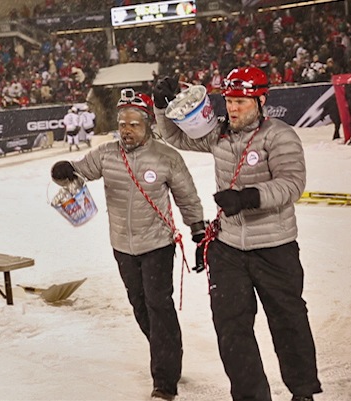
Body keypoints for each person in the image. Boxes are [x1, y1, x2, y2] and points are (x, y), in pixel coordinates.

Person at [152, 67, 322, 401]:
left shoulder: (280, 135)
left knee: (288, 321)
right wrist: (161, 105)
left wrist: (248, 198)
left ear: (261, 101)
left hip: (274, 247)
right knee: (231, 327)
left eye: (241, 102)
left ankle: (303, 392)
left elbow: (292, 184)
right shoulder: (219, 135)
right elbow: (175, 137)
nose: (232, 108)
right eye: (229, 100)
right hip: (228, 247)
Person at [50, 89, 206, 401]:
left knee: (158, 305)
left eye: (134, 124)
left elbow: (187, 197)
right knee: (140, 306)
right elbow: (77, 172)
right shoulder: (106, 154)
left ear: (148, 125)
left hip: (157, 244)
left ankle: (165, 381)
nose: (127, 130)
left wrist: (198, 232)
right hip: (122, 245)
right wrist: (62, 171)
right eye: (122, 124)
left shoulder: (166, 157)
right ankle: (168, 351)